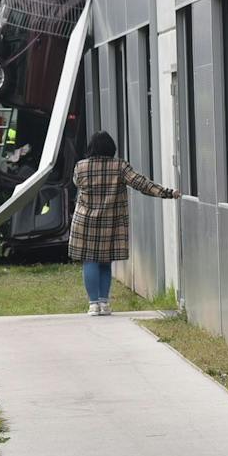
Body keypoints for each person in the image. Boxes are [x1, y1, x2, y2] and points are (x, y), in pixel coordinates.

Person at [69, 130, 180, 316]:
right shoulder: (120, 166)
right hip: (111, 221)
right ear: (111, 148)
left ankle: (93, 304)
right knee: (105, 262)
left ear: (91, 148)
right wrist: (168, 192)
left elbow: (77, 184)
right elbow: (141, 184)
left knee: (90, 260)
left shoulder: (81, 167)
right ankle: (104, 303)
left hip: (85, 221)